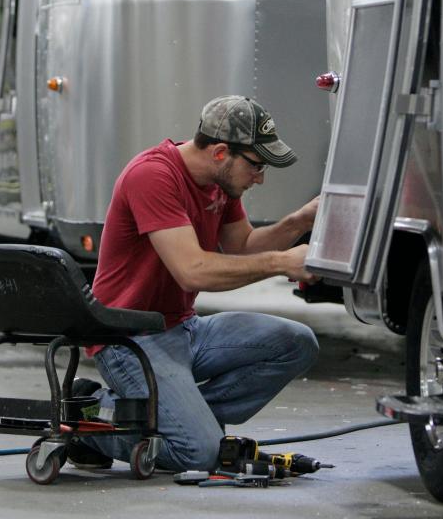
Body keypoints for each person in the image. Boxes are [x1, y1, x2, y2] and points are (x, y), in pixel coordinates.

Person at [76, 95, 322, 471]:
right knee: (200, 453)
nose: (261, 177)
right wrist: (280, 262)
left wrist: (299, 221)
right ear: (221, 152)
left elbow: (240, 245)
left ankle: (179, 419)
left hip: (183, 328)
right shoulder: (153, 175)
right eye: (256, 165)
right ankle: (90, 414)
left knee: (297, 343)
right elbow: (191, 270)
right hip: (128, 339)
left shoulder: (220, 183)